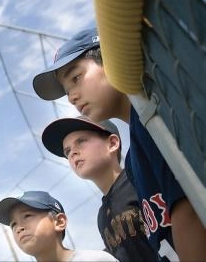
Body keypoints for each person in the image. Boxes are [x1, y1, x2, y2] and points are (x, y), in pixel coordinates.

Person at [33, 28, 206, 260]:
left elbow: (187, 212)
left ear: (111, 60)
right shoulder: (136, 153)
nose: (72, 96)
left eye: (76, 78)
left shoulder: (155, 114)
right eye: (67, 91)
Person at [42, 115, 161, 261]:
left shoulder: (139, 180)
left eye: (81, 141)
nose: (73, 153)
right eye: (67, 151)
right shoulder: (102, 216)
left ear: (112, 143)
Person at [0, 191, 118, 261]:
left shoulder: (95, 260)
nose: (19, 228)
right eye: (13, 225)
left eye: (27, 216)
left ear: (59, 222)